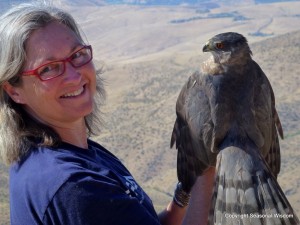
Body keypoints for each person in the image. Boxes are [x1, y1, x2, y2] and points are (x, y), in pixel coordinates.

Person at [0, 2, 215, 225]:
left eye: (76, 55)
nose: (74, 77)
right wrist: (206, 169)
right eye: (48, 68)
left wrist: (184, 193)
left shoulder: (66, 154)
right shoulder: (75, 187)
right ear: (14, 91)